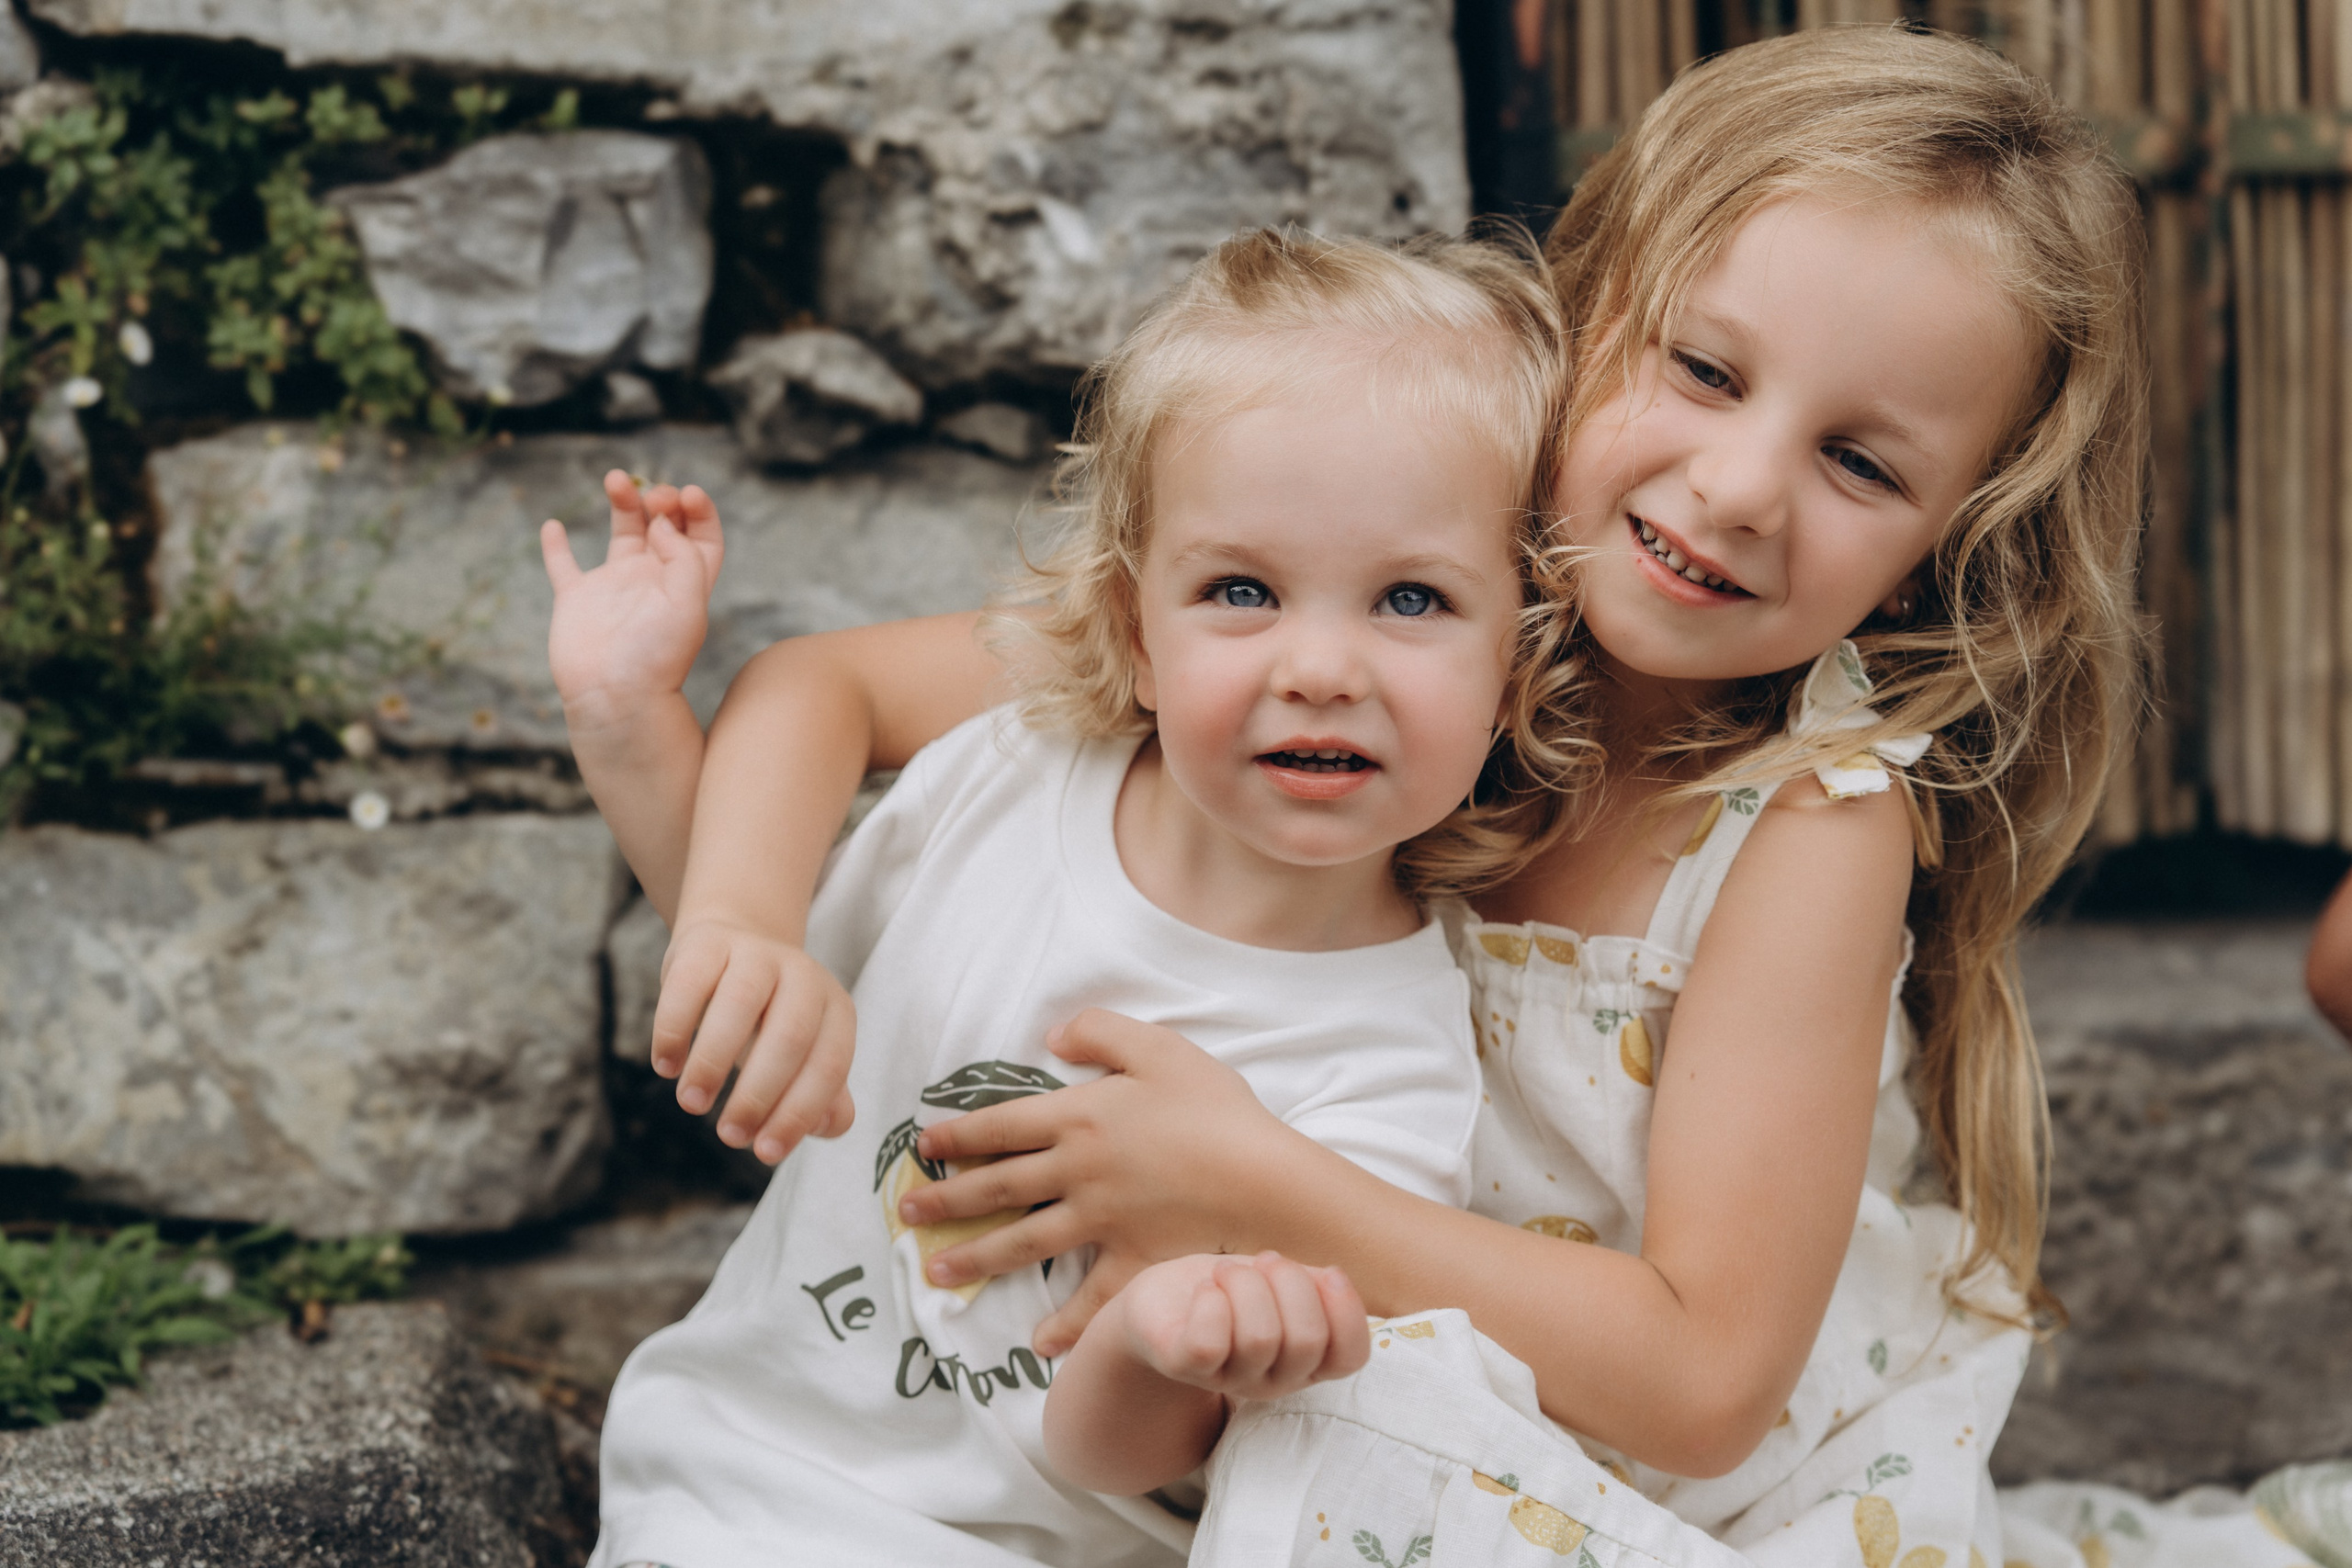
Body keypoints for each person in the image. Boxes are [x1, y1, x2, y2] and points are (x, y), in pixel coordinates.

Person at [549, 26, 2346, 1568]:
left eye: (1857, 458)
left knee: (1336, 1395)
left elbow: (1706, 1378)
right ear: (1590, 310)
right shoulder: (1383, 598)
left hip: (1604, 1444)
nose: (1731, 486)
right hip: (1235, 1377)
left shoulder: (1807, 816)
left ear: (1951, 533)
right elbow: (839, 687)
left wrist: (1251, 1178)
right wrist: (735, 914)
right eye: (1702, 370)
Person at [548, 229, 1584, 1568]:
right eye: (1242, 591)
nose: (1321, 665)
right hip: (744, 1488)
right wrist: (641, 747)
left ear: (1515, 666)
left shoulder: (1389, 1064)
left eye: (1411, 598)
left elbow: (1118, 1461)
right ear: (1136, 627)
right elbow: (807, 713)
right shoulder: (1025, 767)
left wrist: (1172, 1344)